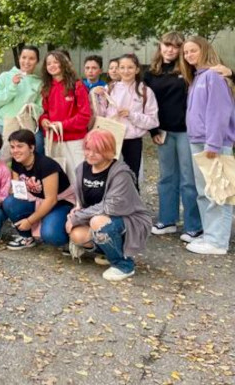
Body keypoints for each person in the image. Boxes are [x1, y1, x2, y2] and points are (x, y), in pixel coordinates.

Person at [66, 130, 152, 281]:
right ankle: (109, 252)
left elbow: (110, 207)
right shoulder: (82, 168)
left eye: (97, 150)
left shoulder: (120, 173)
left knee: (97, 222)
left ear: (108, 150)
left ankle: (124, 265)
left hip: (128, 219)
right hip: (96, 215)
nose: (90, 154)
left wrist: (78, 217)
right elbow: (81, 195)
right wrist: (77, 207)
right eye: (88, 149)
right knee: (77, 235)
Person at [180, 36, 235, 255]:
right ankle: (210, 233)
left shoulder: (213, 76)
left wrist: (213, 142)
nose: (188, 55)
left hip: (212, 143)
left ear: (204, 50)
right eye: (186, 52)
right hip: (198, 141)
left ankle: (218, 241)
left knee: (218, 191)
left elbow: (219, 112)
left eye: (193, 51)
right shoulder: (197, 77)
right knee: (204, 191)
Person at [144, 32, 202, 240]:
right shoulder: (150, 74)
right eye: (166, 45)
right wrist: (152, 131)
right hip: (163, 132)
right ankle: (167, 220)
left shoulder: (190, 70)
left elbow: (222, 74)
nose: (170, 49)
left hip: (187, 131)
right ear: (160, 46)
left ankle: (193, 225)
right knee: (166, 178)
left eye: (175, 46)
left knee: (188, 179)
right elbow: (146, 105)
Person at [93, 53, 159, 187]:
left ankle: (132, 206)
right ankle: (109, 205)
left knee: (131, 177)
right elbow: (100, 115)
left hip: (132, 140)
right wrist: (96, 98)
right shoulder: (109, 88)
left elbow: (153, 121)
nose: (125, 71)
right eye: (122, 67)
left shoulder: (145, 91)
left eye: (130, 67)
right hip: (111, 139)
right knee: (107, 176)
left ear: (137, 69)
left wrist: (132, 115)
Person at [2, 129, 75, 249]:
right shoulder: (16, 162)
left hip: (60, 203)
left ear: (31, 148)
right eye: (12, 147)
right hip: (37, 199)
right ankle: (26, 237)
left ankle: (68, 240)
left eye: (20, 146)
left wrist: (30, 221)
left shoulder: (47, 165)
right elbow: (17, 190)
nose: (15, 151)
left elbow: (51, 200)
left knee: (51, 235)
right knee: (10, 202)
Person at [39, 50, 92, 185]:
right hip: (53, 139)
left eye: (56, 62)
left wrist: (62, 125)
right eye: (48, 63)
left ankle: (82, 205)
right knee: (57, 178)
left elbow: (85, 116)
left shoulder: (77, 85)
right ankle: (62, 204)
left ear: (64, 63)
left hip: (75, 139)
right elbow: (44, 111)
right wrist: (43, 120)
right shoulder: (46, 87)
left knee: (78, 175)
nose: (52, 65)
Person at [0, 45, 43, 153]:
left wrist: (32, 108)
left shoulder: (39, 83)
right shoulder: (6, 76)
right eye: (24, 57)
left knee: (37, 148)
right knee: (1, 158)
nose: (27, 61)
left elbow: (41, 107)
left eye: (31, 58)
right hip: (3, 124)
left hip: (26, 126)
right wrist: (12, 86)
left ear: (37, 61)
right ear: (19, 58)